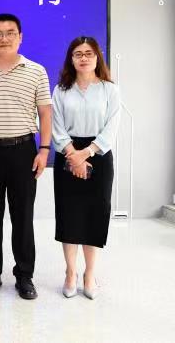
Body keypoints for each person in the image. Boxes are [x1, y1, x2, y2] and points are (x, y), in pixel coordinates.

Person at [0, 13, 52, 300]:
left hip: (23, 151)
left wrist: (44, 149)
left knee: (23, 218)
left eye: (10, 32)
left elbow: (45, 112)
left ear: (20, 37)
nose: (4, 38)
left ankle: (24, 276)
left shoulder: (36, 71)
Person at [52, 36, 120, 300]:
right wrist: (73, 155)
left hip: (98, 156)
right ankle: (70, 272)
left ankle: (89, 274)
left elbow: (111, 128)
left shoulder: (109, 90)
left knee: (94, 215)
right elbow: (56, 127)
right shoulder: (61, 90)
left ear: (97, 57)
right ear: (71, 59)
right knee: (69, 215)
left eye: (88, 53)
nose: (83, 58)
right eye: (78, 54)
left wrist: (86, 153)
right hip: (67, 154)